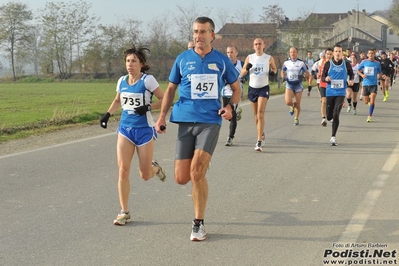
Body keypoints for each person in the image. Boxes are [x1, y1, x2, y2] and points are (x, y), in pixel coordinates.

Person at [155, 17, 241, 241]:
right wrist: (162, 116)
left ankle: (198, 224)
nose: (198, 36)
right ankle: (197, 172)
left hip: (210, 121)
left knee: (196, 172)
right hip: (184, 121)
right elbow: (171, 88)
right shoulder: (183, 59)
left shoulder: (222, 61)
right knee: (181, 178)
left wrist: (230, 106)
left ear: (212, 35)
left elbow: (236, 88)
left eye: (203, 32)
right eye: (195, 31)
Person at [100, 45, 166, 226]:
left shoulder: (147, 80)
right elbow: (117, 100)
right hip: (125, 130)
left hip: (145, 131)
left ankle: (155, 169)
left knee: (144, 175)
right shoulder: (122, 80)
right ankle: (124, 211)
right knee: (123, 170)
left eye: (134, 61)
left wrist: (148, 107)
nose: (130, 64)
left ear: (141, 64)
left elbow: (165, 99)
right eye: (128, 61)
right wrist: (107, 115)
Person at [240, 38, 277, 152]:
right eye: (256, 44)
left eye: (260, 44)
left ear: (263, 45)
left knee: (260, 114)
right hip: (252, 89)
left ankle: (259, 141)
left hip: (263, 88)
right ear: (253, 46)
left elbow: (274, 68)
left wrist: (272, 73)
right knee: (256, 116)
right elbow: (242, 73)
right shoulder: (249, 57)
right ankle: (261, 132)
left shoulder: (268, 58)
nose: (258, 46)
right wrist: (247, 68)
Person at [321, 44, 354, 146]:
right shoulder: (328, 64)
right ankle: (329, 118)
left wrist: (351, 80)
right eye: (336, 51)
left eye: (340, 51)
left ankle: (333, 137)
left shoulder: (346, 64)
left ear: (342, 53)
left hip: (341, 92)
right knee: (329, 115)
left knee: (336, 114)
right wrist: (326, 79)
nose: (338, 53)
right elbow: (322, 77)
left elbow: (351, 74)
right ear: (333, 53)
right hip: (330, 92)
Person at [222, 46, 246, 146]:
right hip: (225, 92)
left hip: (236, 93)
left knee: (233, 115)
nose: (229, 55)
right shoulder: (224, 64)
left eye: (232, 52)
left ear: (236, 53)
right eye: (228, 52)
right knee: (226, 115)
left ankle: (230, 138)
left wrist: (245, 79)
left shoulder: (241, 64)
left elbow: (246, 74)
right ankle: (237, 112)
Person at [281, 47, 309, 126]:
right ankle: (291, 106)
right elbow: (282, 71)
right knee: (288, 101)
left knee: (298, 104)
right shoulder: (286, 63)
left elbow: (307, 73)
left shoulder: (301, 63)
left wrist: (305, 75)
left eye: (294, 52)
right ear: (289, 53)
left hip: (298, 85)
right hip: (289, 84)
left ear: (297, 53)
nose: (292, 54)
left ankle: (296, 118)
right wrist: (283, 77)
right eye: (291, 52)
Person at [357, 49, 382, 123]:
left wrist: (380, 76)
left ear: (374, 55)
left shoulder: (377, 63)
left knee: (372, 100)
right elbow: (358, 70)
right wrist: (362, 75)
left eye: (372, 53)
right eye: (369, 53)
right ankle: (369, 101)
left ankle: (369, 116)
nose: (371, 55)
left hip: (373, 84)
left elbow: (380, 72)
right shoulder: (364, 62)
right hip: (365, 84)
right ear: (367, 55)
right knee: (365, 101)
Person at [318, 48, 333, 126]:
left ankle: (330, 116)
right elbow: (319, 72)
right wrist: (318, 74)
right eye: (328, 54)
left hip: (332, 85)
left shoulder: (334, 63)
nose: (329, 56)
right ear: (325, 54)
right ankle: (323, 118)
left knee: (330, 102)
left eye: (330, 54)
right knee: (324, 101)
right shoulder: (321, 62)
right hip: (323, 84)